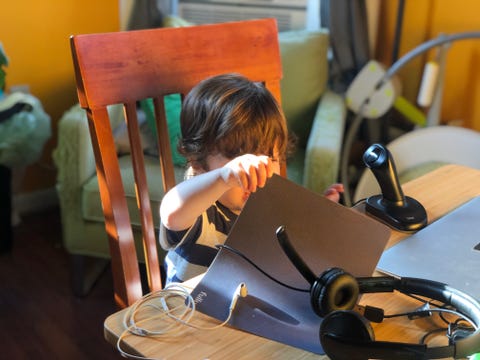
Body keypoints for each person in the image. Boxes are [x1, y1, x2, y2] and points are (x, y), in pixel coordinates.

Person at [159, 73, 343, 284]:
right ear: (198, 163)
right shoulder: (201, 210)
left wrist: (315, 217)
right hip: (187, 313)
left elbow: (289, 252)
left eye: (268, 157)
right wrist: (224, 177)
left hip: (245, 310)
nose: (252, 170)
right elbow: (172, 213)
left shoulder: (269, 204)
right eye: (237, 158)